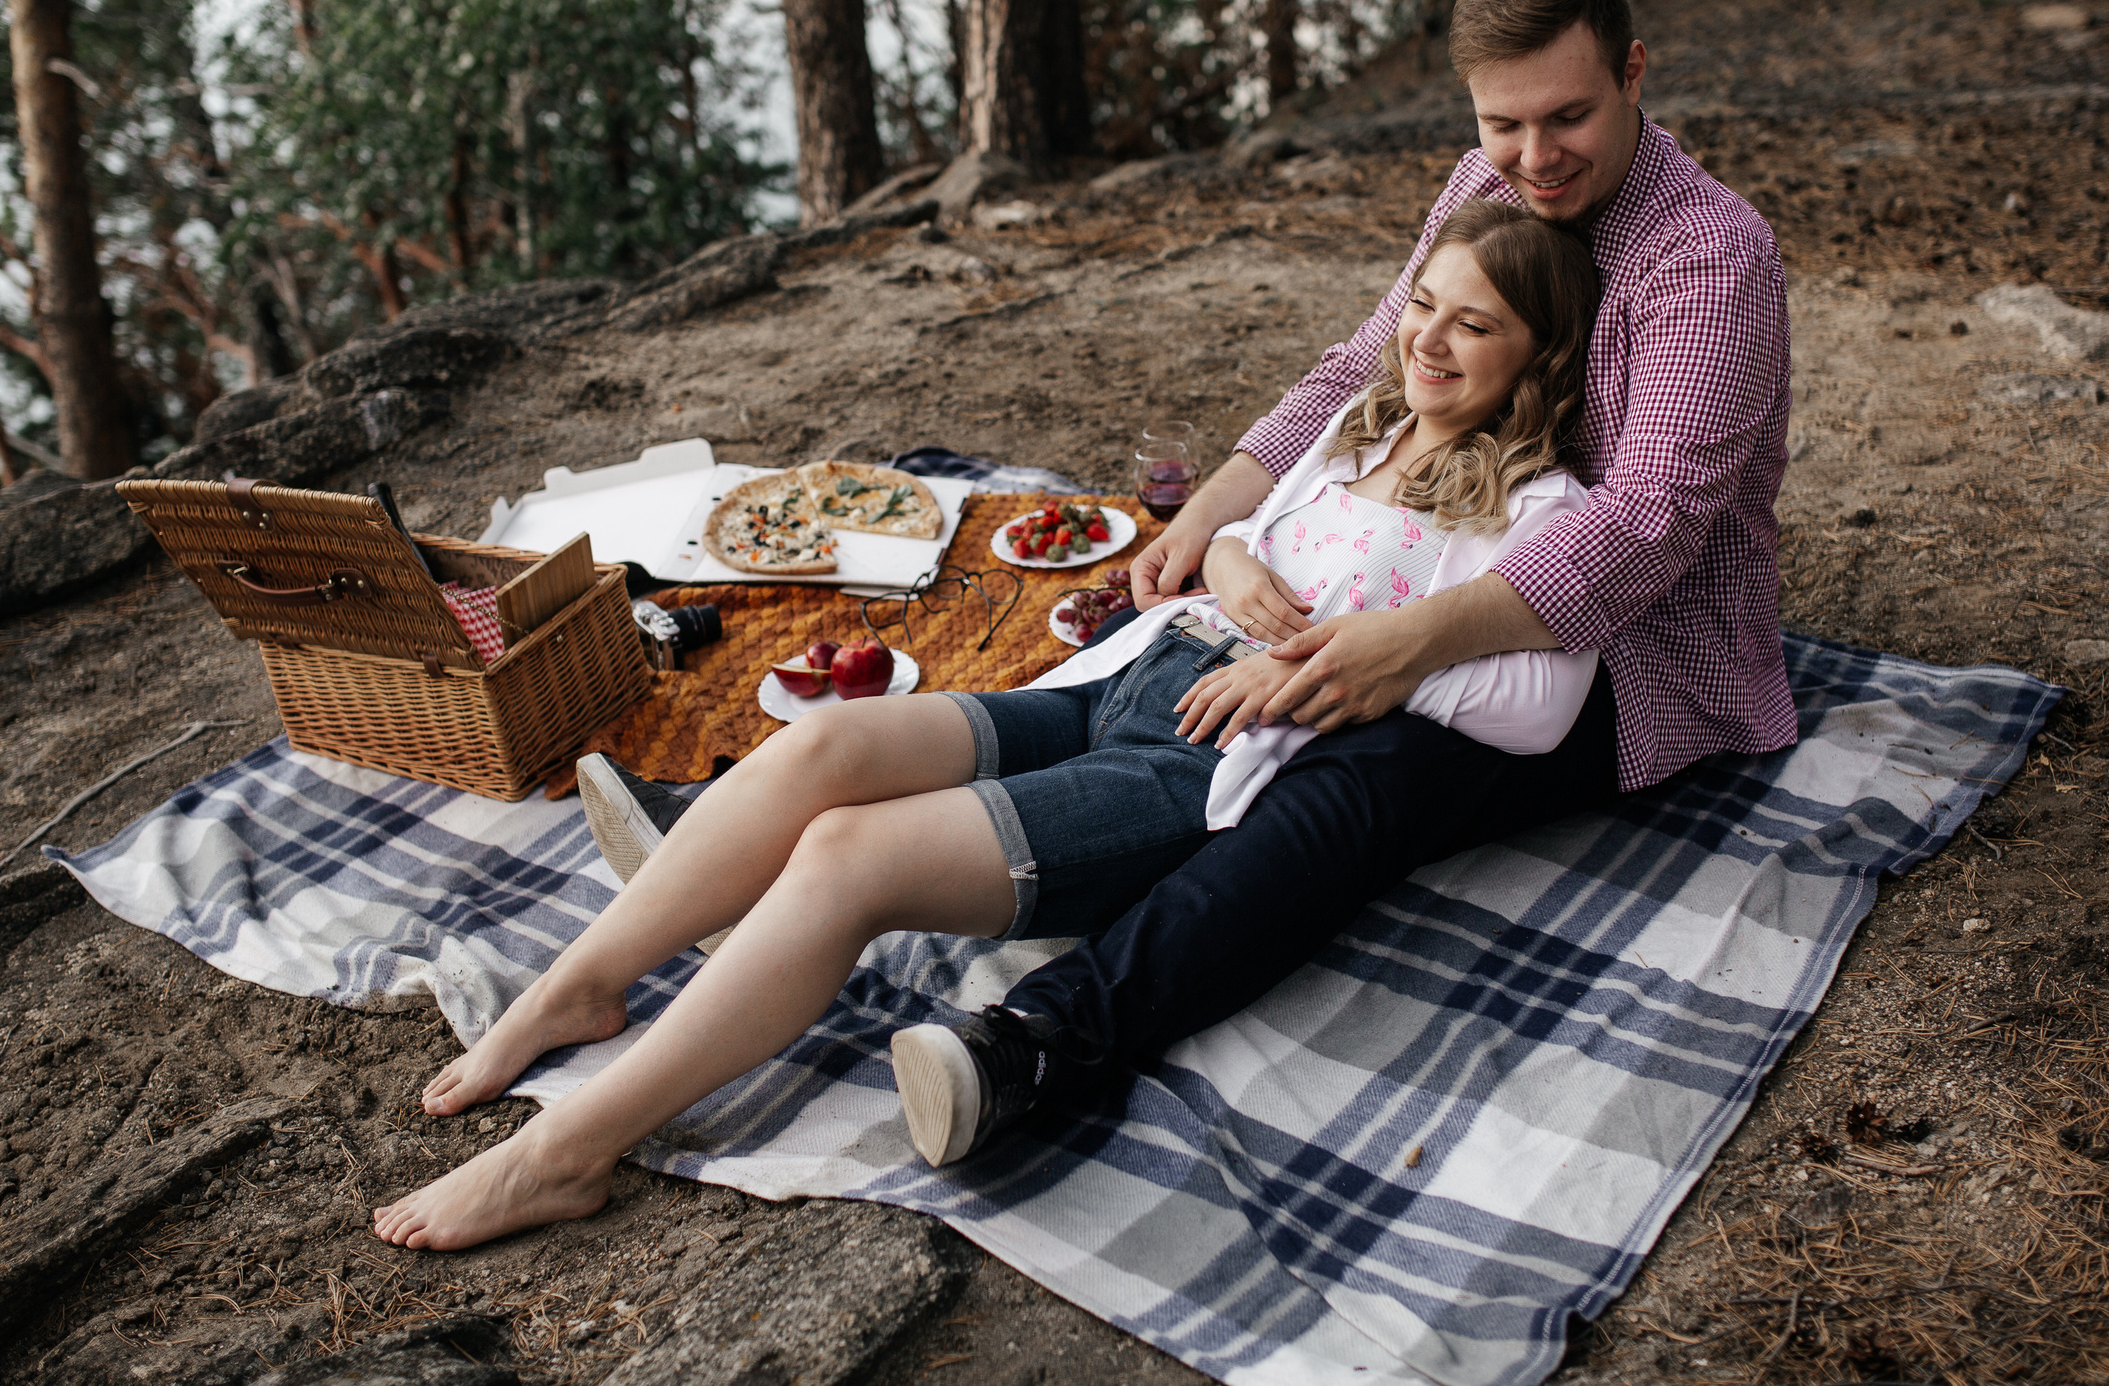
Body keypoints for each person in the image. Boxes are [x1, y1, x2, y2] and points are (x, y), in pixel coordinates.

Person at [370, 201, 1603, 1249]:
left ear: (1538, 360)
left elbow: (1536, 707)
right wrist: (1227, 558)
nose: (1428, 338)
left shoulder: (1544, 511)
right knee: (823, 747)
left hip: (1201, 767)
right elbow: (1243, 533)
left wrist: (1319, 668)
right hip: (1129, 677)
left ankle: (569, 1152)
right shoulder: (1357, 433)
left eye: (1474, 324)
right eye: (1423, 304)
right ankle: (577, 992)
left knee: (847, 857)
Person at [885, 0, 1797, 1166]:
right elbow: (1364, 367)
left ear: (1633, 74)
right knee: (1180, 655)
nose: (1533, 157)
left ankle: (1038, 1043)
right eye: (1503, 123)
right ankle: (860, 841)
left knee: (1359, 772)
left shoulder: (1708, 256)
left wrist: (1403, 646)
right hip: (1440, 547)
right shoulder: (1484, 183)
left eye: (1568, 116)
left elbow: (1649, 526)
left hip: (1637, 648)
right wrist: (1216, 511)